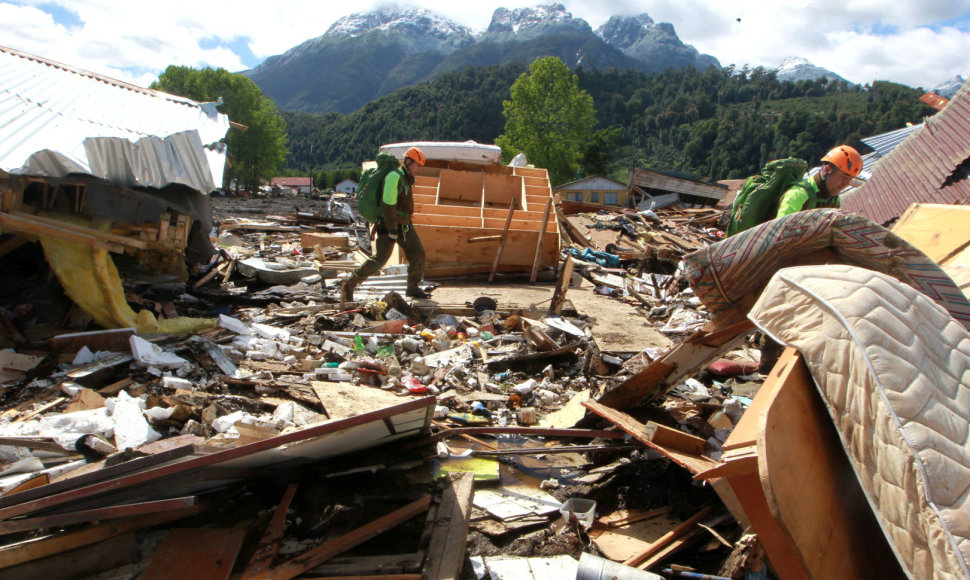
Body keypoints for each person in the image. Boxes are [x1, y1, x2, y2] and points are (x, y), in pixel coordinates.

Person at [342, 146, 430, 301]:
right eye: (417, 165)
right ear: (408, 162)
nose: (419, 169)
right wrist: (391, 228)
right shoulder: (394, 176)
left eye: (420, 166)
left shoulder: (407, 179)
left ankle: (413, 288)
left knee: (418, 254)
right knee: (380, 260)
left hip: (405, 226)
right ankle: (350, 284)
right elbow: (387, 203)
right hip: (389, 225)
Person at [775, 144, 863, 218]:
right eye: (844, 177)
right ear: (827, 170)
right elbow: (781, 232)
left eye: (850, 179)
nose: (846, 183)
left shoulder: (834, 201)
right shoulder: (798, 195)